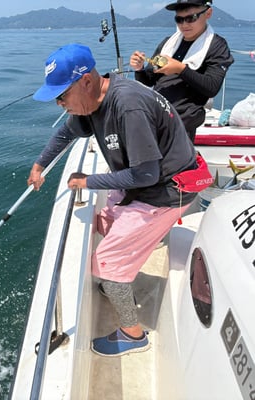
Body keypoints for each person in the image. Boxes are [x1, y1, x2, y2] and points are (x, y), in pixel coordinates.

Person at [28, 43, 203, 357]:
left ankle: (134, 335)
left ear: (86, 81)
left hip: (167, 191)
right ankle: (119, 282)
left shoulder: (128, 106)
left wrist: (87, 181)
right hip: (146, 185)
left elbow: (146, 174)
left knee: (106, 263)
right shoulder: (92, 101)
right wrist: (40, 165)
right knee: (106, 224)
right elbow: (66, 134)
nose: (59, 104)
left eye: (62, 95)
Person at [130, 0, 234, 142]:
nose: (184, 24)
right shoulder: (168, 43)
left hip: (183, 122)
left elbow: (212, 87)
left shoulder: (217, 46)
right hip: (155, 115)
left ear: (208, 13)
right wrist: (139, 68)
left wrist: (180, 69)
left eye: (191, 18)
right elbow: (148, 80)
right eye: (179, 19)